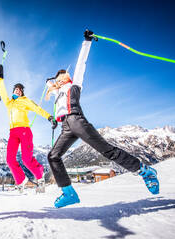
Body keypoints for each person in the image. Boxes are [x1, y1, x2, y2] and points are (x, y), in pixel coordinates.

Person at [46, 30, 159, 208]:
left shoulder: (74, 85)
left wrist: (86, 42)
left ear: (69, 78)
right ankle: (69, 193)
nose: (60, 79)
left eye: (63, 77)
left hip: (77, 120)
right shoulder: (57, 93)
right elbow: (50, 84)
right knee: (53, 156)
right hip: (65, 127)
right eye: (58, 79)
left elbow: (80, 63)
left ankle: (145, 171)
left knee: (107, 151)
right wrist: (51, 89)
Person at [0, 64, 57, 193]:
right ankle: (21, 180)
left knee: (26, 159)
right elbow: (2, 93)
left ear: (22, 92)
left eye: (20, 90)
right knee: (9, 159)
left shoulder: (25, 101)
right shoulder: (9, 103)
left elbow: (37, 109)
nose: (17, 91)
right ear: (13, 92)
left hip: (24, 131)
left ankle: (39, 176)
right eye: (16, 89)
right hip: (13, 133)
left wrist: (49, 117)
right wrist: (1, 78)